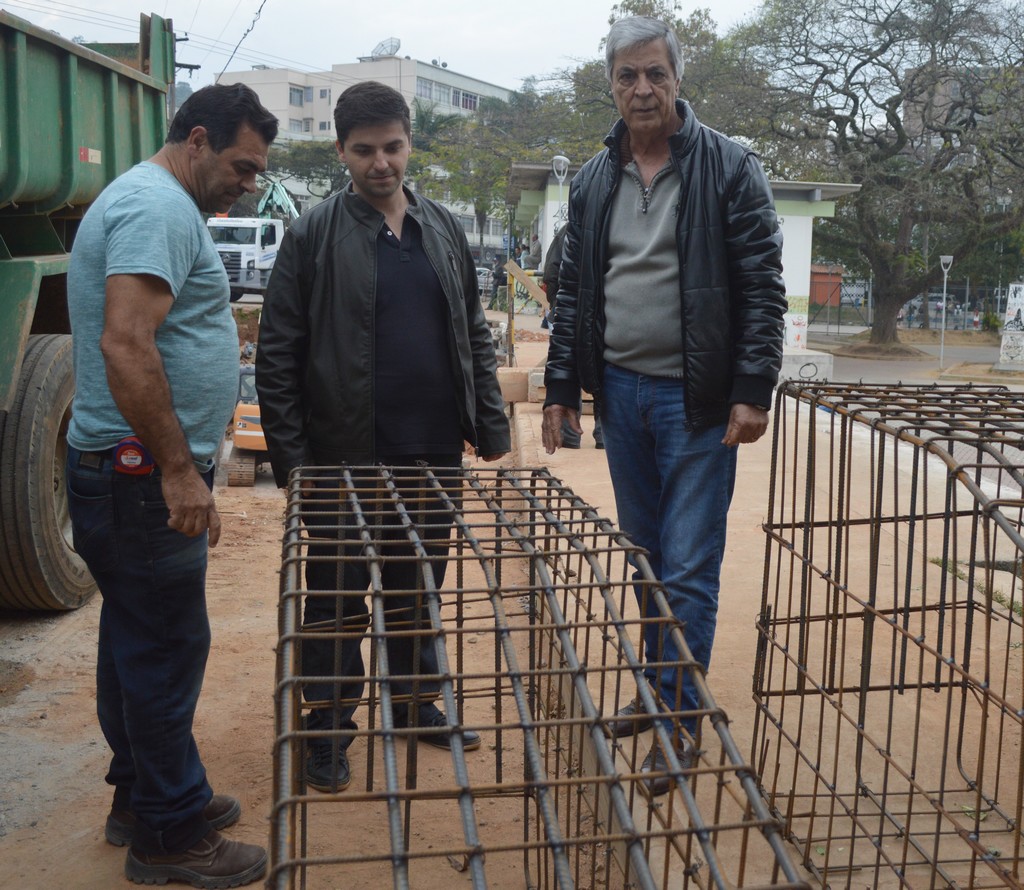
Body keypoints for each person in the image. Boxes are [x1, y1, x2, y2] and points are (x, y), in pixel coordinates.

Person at [542, 16, 786, 796]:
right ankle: (655, 693)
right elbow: (573, 292)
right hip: (621, 393)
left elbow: (762, 287)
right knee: (646, 560)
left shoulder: (730, 167)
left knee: (688, 567)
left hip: (698, 401)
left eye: (656, 73)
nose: (643, 88)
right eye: (628, 76)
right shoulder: (593, 178)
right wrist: (560, 386)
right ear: (611, 85)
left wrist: (752, 388)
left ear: (678, 77)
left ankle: (679, 725)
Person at [256, 81, 510, 794]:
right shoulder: (313, 234)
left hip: (432, 449)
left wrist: (489, 421)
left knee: (418, 584)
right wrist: (297, 466)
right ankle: (329, 729)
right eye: (364, 150)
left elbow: (472, 331)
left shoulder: (442, 228)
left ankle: (415, 704)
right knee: (336, 598)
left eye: (393, 147)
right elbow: (278, 355)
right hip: (343, 453)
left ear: (409, 143)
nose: (381, 164)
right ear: (341, 150)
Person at [65, 84, 277, 886]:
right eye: (242, 166)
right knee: (164, 645)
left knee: (136, 636)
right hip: (141, 474)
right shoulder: (156, 207)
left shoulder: (158, 202)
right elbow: (126, 344)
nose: (248, 185)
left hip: (131, 468)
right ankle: (171, 833)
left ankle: (141, 797)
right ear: (196, 141)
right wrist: (179, 471)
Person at [542, 226, 603, 449]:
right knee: (602, 372)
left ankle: (568, 435)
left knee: (568, 365)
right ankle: (603, 434)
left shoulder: (568, 232)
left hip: (569, 314)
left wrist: (557, 305)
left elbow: (551, 274)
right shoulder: (597, 227)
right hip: (599, 318)